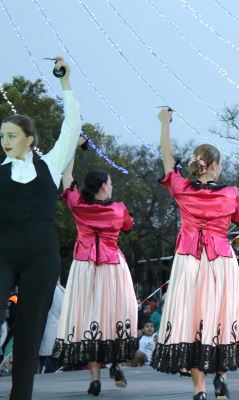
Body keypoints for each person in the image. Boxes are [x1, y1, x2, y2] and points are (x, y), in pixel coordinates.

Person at [0, 56, 81, 400]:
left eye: (12, 135)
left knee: (31, 332)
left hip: (42, 256)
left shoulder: (50, 164)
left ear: (29, 138)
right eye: (2, 135)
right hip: (3, 252)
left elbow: (72, 124)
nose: (5, 141)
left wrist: (65, 83)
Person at [152, 108, 239, 400]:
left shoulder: (182, 189)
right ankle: (221, 376)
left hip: (190, 259)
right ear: (214, 166)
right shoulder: (229, 193)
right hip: (220, 260)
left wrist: (165, 125)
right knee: (221, 315)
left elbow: (168, 162)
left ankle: (199, 389)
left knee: (193, 319)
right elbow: (238, 219)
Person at [53, 150, 138, 396]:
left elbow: (66, 176)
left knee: (89, 318)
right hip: (112, 267)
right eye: (110, 182)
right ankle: (116, 363)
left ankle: (95, 378)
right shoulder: (118, 209)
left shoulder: (78, 205)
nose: (111, 186)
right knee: (116, 314)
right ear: (102, 186)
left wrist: (72, 147)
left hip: (84, 267)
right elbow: (130, 227)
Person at [38, 281, 64, 374]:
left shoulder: (49, 290)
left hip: (48, 333)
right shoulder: (62, 290)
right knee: (56, 362)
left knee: (47, 366)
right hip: (60, 334)